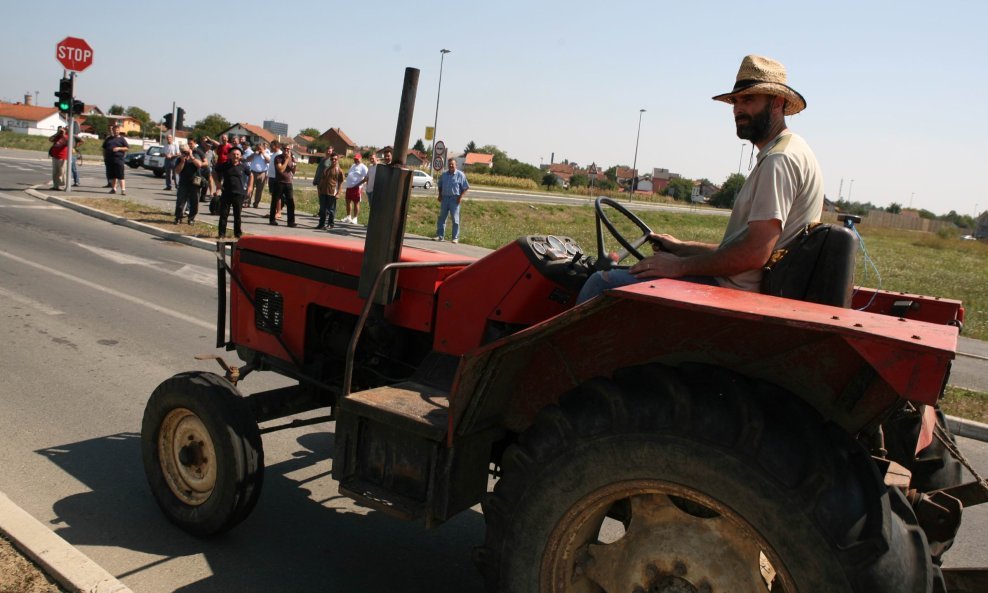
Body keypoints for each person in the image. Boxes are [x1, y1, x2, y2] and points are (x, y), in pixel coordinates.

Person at [577, 54, 823, 304]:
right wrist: (681, 247)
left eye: (749, 99)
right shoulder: (790, 151)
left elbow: (755, 254)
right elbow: (741, 249)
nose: (738, 109)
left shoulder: (778, 161)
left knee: (601, 282)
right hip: (739, 285)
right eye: (735, 101)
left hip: (734, 295)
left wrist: (679, 267)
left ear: (777, 103)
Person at [214, 146, 253, 238]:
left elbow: (251, 175)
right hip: (226, 193)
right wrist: (218, 183)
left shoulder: (244, 166)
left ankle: (237, 234)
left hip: (239, 194)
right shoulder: (225, 165)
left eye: (237, 154)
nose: (235, 156)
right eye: (233, 154)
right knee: (224, 214)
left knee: (237, 216)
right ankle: (221, 234)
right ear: (229, 156)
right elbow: (214, 172)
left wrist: (250, 187)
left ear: (240, 156)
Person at [434, 158, 469, 243]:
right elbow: (440, 185)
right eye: (449, 164)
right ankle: (440, 236)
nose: (450, 166)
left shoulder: (460, 175)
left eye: (452, 164)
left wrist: (460, 197)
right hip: (445, 198)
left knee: (455, 219)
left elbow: (466, 187)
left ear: (456, 165)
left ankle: (455, 238)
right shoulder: (444, 174)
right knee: (442, 218)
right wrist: (439, 195)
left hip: (454, 199)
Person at [174, 138, 207, 225]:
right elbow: (177, 171)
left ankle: (191, 218)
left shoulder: (195, 156)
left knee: (194, 202)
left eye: (186, 151)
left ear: (189, 150)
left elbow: (199, 165)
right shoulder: (179, 159)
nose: (184, 153)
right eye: (182, 151)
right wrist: (182, 162)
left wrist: (191, 157)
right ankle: (178, 217)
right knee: (180, 202)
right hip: (184, 183)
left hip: (195, 182)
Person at [270, 143, 296, 227]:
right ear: (282, 149)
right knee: (275, 201)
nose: (286, 150)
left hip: (288, 183)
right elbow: (281, 170)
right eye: (285, 149)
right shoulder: (278, 158)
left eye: (288, 149)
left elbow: (293, 171)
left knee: (290, 202)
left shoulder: (291, 158)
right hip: (279, 182)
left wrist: (294, 165)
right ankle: (272, 219)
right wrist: (287, 160)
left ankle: (291, 222)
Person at [316, 153, 344, 230]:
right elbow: (322, 180)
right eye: (332, 159)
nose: (333, 160)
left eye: (335, 159)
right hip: (323, 192)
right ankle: (321, 224)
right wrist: (319, 189)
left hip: (332, 193)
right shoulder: (326, 169)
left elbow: (340, 183)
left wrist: (338, 193)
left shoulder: (339, 171)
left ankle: (330, 224)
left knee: (331, 210)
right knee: (322, 209)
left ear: (338, 160)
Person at [102, 125, 129, 195]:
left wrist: (119, 148)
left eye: (117, 130)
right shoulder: (108, 139)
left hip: (118, 159)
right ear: (112, 131)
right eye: (114, 130)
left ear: (119, 131)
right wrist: (104, 157)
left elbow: (126, 148)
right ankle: (113, 189)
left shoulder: (122, 139)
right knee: (112, 175)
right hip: (109, 159)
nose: (115, 131)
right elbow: (104, 148)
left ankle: (123, 190)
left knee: (120, 175)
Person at [342, 152, 368, 224]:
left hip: (357, 188)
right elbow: (351, 173)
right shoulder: (353, 165)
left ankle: (355, 218)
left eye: (357, 159)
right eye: (355, 159)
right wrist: (347, 174)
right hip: (349, 187)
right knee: (348, 201)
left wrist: (358, 184)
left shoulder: (363, 167)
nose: (356, 160)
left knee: (356, 203)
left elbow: (366, 178)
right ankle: (348, 217)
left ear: (361, 159)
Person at [248, 142, 270, 208]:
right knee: (250, 188)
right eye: (258, 148)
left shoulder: (266, 154)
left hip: (262, 173)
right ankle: (247, 202)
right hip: (253, 173)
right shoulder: (254, 154)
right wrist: (254, 154)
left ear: (263, 148)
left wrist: (263, 153)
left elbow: (268, 161)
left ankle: (256, 203)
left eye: (260, 148)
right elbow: (248, 159)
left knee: (259, 190)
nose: (259, 149)